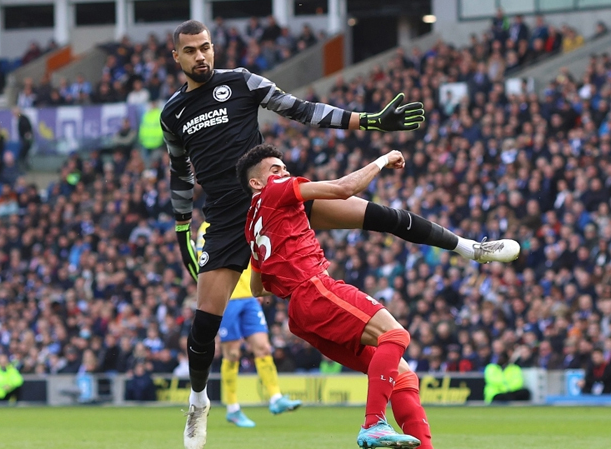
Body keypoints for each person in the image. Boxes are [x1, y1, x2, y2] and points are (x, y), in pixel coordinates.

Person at [161, 20, 517, 449]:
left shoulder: (241, 83)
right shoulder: (172, 114)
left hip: (275, 199)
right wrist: (183, 226)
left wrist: (367, 121)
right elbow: (180, 174)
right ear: (176, 56)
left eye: (205, 47)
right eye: (191, 51)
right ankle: (199, 402)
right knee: (204, 326)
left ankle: (469, 248)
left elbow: (302, 109)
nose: (201, 56)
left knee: (383, 216)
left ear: (213, 48)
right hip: (226, 221)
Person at [237, 145, 431, 449]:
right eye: (275, 169)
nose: (284, 172)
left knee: (403, 375)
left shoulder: (252, 225)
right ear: (256, 183)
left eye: (284, 168)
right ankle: (373, 424)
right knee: (395, 335)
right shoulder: (277, 190)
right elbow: (344, 188)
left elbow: (257, 287)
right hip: (314, 290)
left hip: (300, 314)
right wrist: (383, 159)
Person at [196, 221, 301, 427]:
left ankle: (275, 398)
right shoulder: (208, 226)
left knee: (263, 347)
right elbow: (204, 261)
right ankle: (233, 408)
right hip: (227, 296)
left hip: (249, 298)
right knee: (232, 353)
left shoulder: (248, 217)